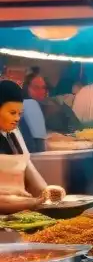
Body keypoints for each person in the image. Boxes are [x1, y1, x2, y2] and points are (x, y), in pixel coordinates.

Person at [0, 80, 65, 213]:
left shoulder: (14, 133)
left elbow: (28, 168)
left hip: (17, 213)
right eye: (12, 113)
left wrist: (47, 192)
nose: (17, 118)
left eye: (20, 114)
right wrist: (34, 202)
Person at [23, 70, 81, 135]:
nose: (41, 91)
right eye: (36, 87)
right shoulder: (19, 107)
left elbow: (77, 128)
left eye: (43, 88)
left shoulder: (57, 104)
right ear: (26, 89)